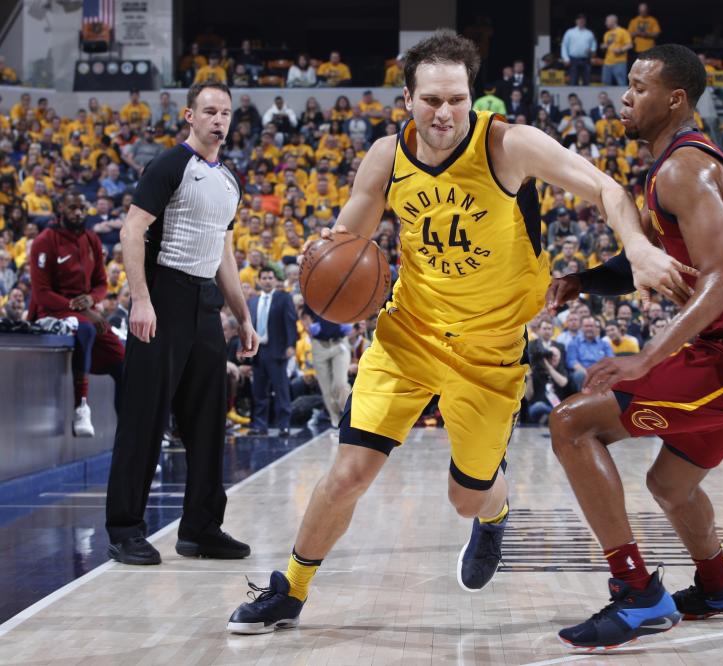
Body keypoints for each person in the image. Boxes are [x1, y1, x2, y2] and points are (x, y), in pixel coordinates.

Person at [225, 30, 679, 635]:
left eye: (457, 100)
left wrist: (640, 248)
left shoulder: (508, 146)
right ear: (407, 99)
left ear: (473, 97)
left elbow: (605, 187)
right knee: (348, 474)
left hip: (490, 352)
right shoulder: (386, 157)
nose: (445, 113)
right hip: (407, 334)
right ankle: (290, 590)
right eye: (432, 100)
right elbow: (348, 239)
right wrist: (324, 253)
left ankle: (495, 515)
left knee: (466, 498)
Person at [545, 44, 723, 650]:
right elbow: (650, 257)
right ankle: (721, 586)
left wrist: (645, 359)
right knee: (670, 485)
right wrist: (583, 281)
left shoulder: (683, 169)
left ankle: (637, 594)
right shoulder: (671, 167)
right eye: (627, 85)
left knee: (571, 424)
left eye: (639, 87)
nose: (625, 96)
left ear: (675, 98)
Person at [104, 82, 259, 566]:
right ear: (190, 116)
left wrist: (243, 315)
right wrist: (141, 301)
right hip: (162, 297)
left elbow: (223, 252)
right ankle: (125, 528)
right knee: (145, 418)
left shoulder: (229, 180)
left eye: (225, 113)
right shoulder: (170, 165)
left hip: (205, 305)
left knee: (209, 420)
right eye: (209, 111)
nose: (218, 120)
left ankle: (201, 528)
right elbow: (132, 229)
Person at [28, 193, 125, 436]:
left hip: (83, 311)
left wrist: (92, 299)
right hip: (50, 311)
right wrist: (83, 308)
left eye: (83, 208)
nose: (79, 212)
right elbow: (41, 294)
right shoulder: (44, 241)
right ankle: (81, 407)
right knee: (86, 328)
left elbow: (101, 283)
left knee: (124, 363)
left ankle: (129, 441)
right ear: (60, 207)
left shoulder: (91, 239)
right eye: (73, 207)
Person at [248, 266, 297, 436]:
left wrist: (291, 345)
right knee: (259, 391)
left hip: (277, 350)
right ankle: (260, 425)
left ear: (275, 280)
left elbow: (290, 322)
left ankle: (284, 425)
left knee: (281, 390)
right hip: (258, 350)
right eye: (264, 278)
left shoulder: (284, 298)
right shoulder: (252, 301)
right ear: (259, 280)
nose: (267, 281)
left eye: (270, 278)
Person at [561, 14, 597, 86]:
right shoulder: (570, 32)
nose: (581, 21)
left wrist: (592, 51)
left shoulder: (589, 33)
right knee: (573, 80)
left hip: (586, 59)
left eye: (583, 20)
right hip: (573, 59)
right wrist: (566, 58)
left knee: (586, 80)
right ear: (576, 21)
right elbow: (564, 46)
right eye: (579, 20)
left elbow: (594, 45)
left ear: (585, 21)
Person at [601, 15, 632, 86]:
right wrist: (603, 47)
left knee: (621, 83)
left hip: (619, 62)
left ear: (613, 21)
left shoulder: (623, 31)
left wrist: (620, 50)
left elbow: (629, 45)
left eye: (607, 21)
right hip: (607, 63)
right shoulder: (607, 34)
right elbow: (605, 46)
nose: (605, 23)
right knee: (605, 84)